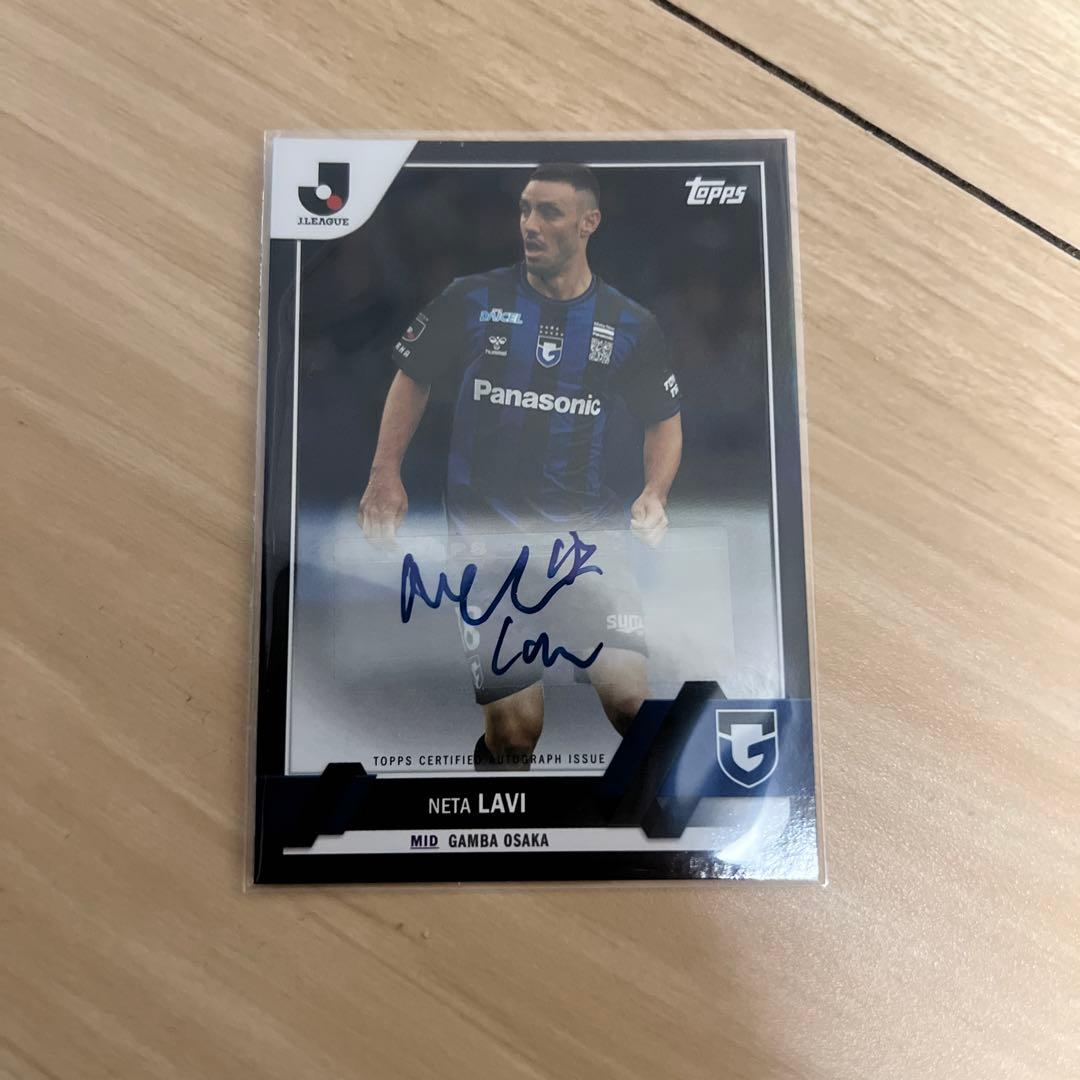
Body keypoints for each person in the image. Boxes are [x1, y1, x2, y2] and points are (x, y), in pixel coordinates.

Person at [358, 163, 682, 768]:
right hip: (488, 547)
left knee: (633, 705)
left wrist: (655, 492)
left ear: (588, 223)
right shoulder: (472, 298)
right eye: (525, 210)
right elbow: (413, 375)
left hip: (587, 547)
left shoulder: (630, 324)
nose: (530, 224)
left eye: (549, 212)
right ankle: (497, 815)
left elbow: (663, 419)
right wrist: (385, 474)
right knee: (515, 734)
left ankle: (650, 823)